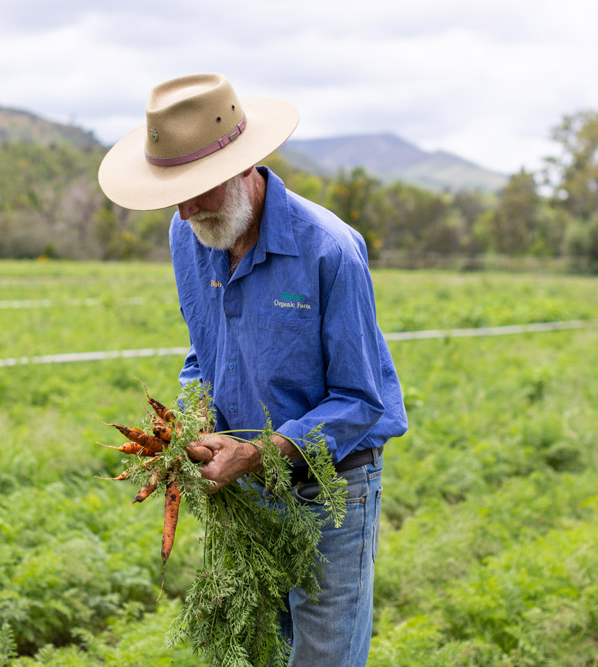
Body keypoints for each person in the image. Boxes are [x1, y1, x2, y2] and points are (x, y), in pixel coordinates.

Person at [98, 72, 408, 667]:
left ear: (243, 167)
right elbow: (203, 353)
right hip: (247, 490)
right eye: (174, 194)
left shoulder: (329, 251)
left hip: (331, 489)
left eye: (198, 190)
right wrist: (191, 422)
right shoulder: (189, 232)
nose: (186, 209)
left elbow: (362, 398)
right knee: (257, 650)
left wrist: (263, 450)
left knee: (323, 658)